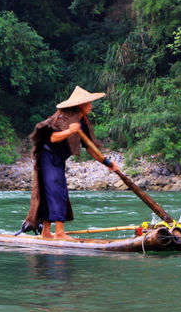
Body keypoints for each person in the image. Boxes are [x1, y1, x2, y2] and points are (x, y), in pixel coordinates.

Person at [22, 86, 121, 239]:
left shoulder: (82, 121)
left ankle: (46, 233)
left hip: (57, 159)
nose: (91, 106)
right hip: (47, 156)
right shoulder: (64, 116)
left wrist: (107, 163)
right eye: (88, 103)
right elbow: (52, 138)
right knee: (58, 191)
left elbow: (90, 148)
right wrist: (70, 131)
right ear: (80, 105)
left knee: (51, 191)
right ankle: (59, 233)